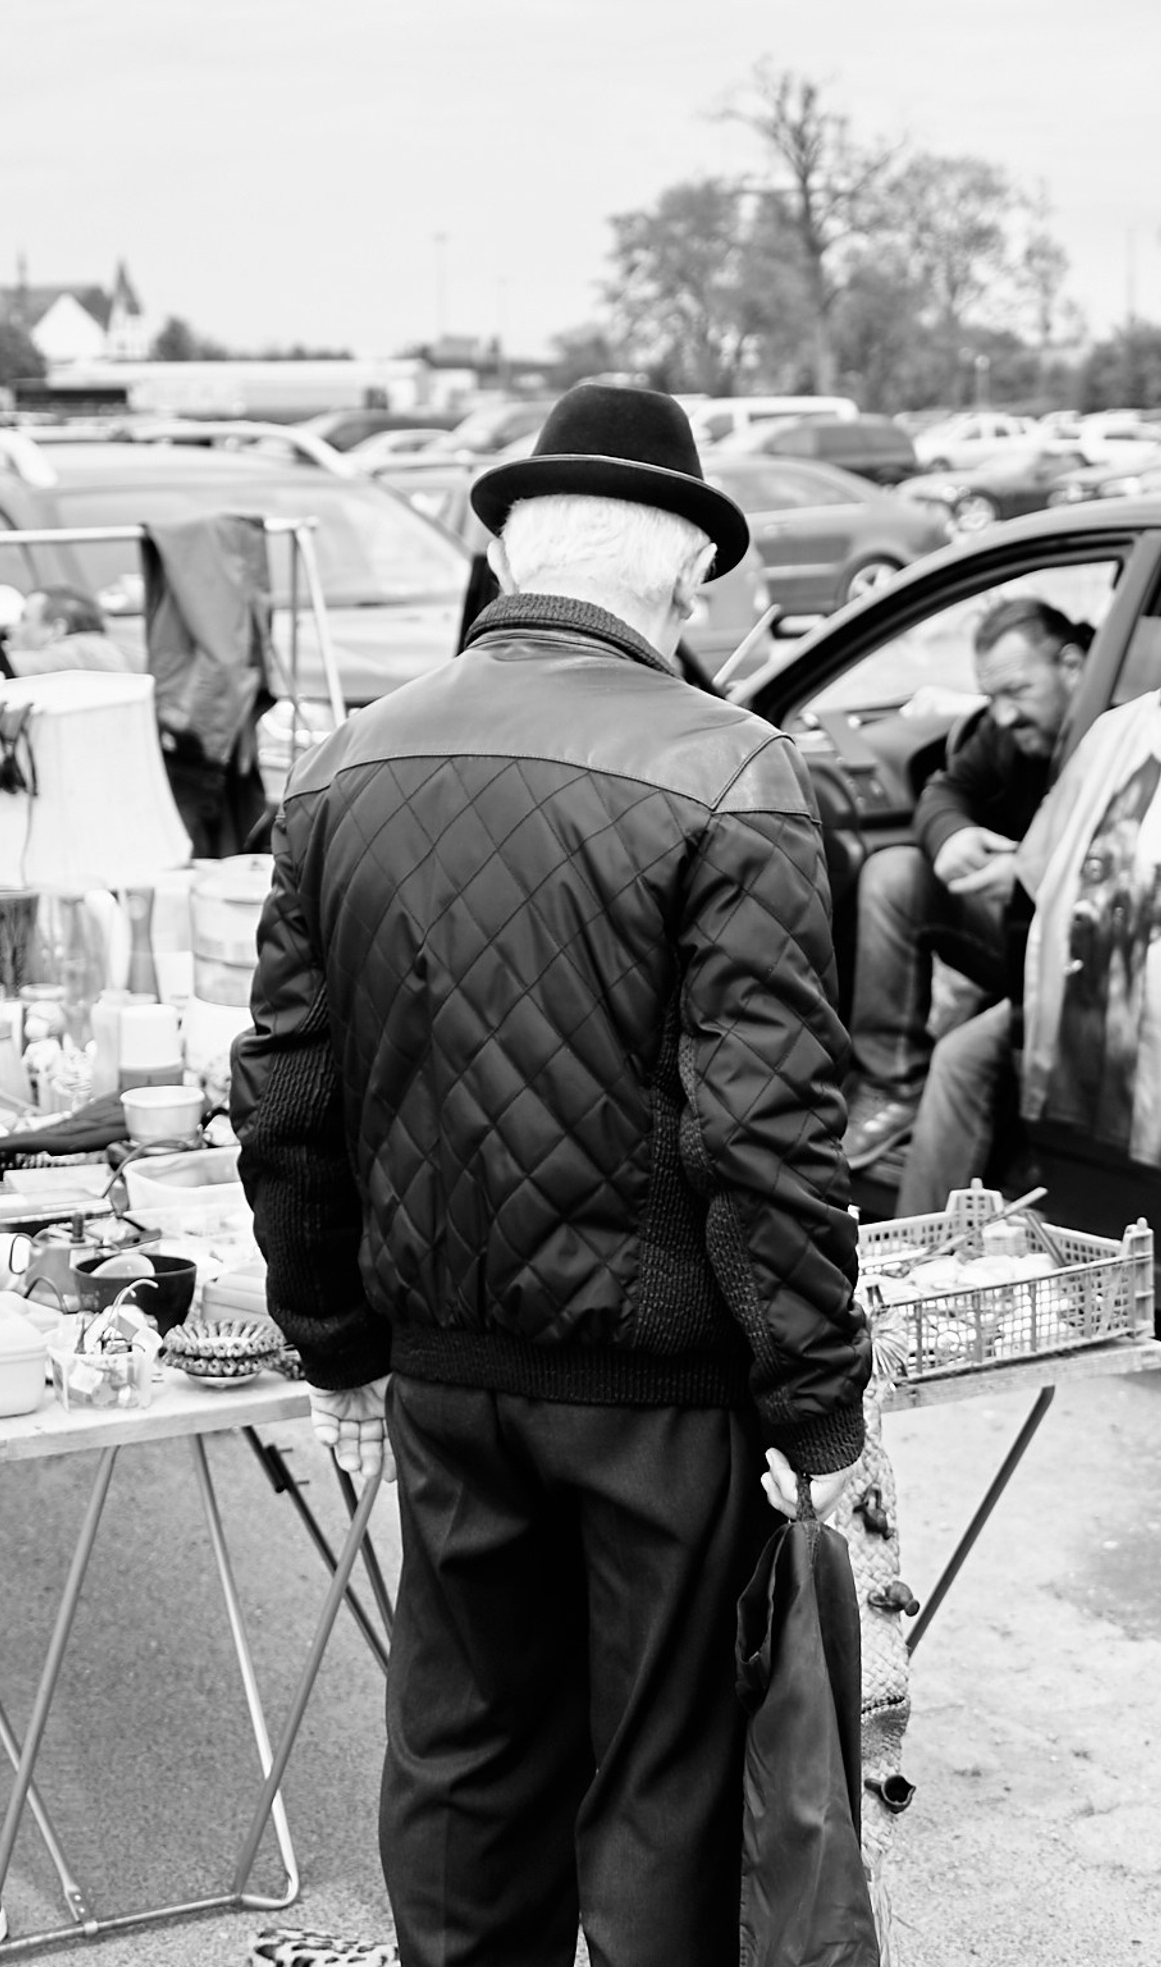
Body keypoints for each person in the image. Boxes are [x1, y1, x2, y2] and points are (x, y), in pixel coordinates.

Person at [234, 384, 871, 1967]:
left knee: (466, 1768)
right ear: (680, 580)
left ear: (518, 557)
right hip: (659, 1392)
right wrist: (821, 1405)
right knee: (661, 1794)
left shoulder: (347, 768)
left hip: (453, 1378)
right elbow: (768, 1135)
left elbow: (286, 1102)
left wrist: (334, 1342)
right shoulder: (734, 770)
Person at [843, 599, 1090, 1208]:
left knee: (960, 1054)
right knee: (895, 872)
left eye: (1017, 690)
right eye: (990, 694)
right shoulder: (1008, 735)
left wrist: (1032, 878)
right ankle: (892, 1085)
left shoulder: (1114, 738)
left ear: (1073, 665)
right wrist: (951, 836)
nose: (1002, 714)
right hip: (1018, 940)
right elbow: (946, 790)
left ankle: (917, 1271)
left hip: (1078, 964)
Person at [4, 586, 131, 676]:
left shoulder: (77, 653)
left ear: (57, 629)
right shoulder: (101, 649)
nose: (11, 629)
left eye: (24, 619)